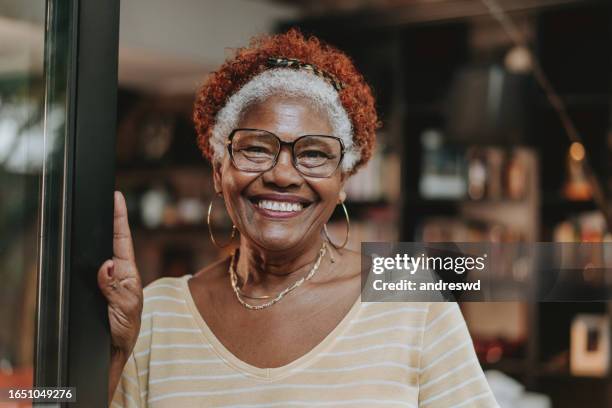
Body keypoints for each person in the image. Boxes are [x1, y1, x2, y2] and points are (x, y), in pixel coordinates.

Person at [99, 29, 499, 407]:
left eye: (313, 154)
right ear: (219, 172)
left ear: (343, 180)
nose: (283, 175)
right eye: (256, 148)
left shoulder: (411, 303)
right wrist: (112, 357)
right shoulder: (155, 313)